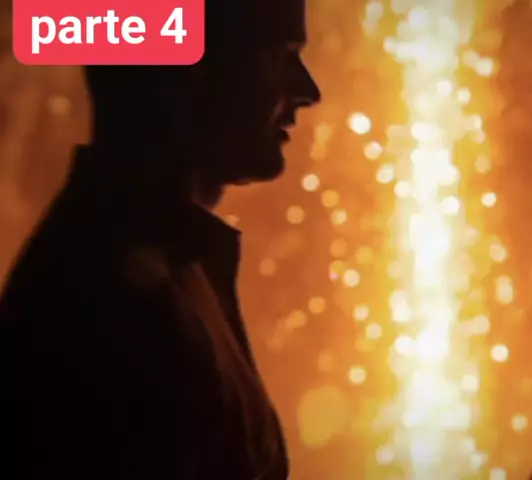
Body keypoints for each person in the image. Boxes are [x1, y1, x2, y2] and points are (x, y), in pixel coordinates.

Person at [0, 0, 320, 477]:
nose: (307, 91)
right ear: (194, 71)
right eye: (279, 55)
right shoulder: (111, 308)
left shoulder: (131, 269)